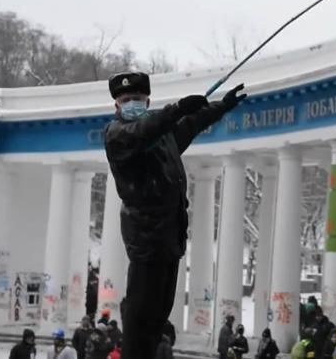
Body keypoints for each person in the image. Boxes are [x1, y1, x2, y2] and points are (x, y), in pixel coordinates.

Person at [103, 71, 246, 359]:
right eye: (125, 99)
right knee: (140, 319)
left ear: (147, 101)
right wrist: (177, 109)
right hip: (146, 242)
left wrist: (221, 107)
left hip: (169, 239)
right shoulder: (118, 135)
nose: (132, 103)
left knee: (158, 318)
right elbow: (143, 132)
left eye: (137, 99)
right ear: (116, 106)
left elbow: (190, 125)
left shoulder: (163, 136)